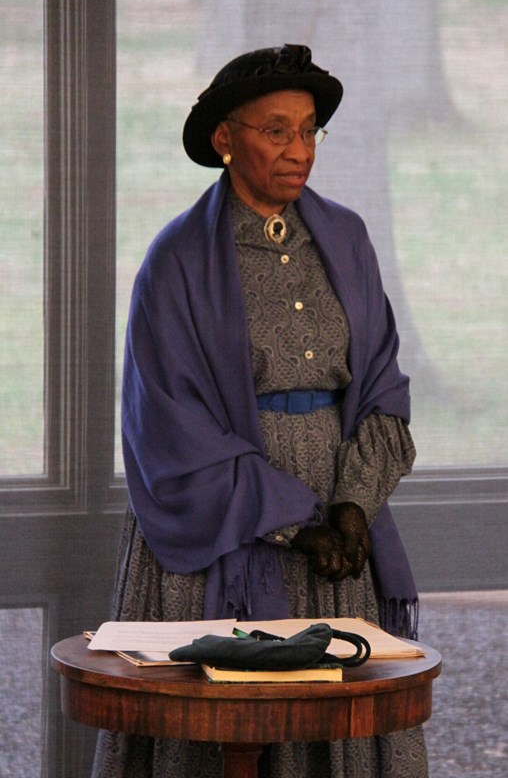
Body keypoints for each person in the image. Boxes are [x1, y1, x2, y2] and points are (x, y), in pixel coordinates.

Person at [92, 43, 428, 777]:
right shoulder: (176, 260)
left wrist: (348, 510)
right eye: (275, 130)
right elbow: (169, 430)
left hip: (341, 528)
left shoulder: (347, 238)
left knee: (333, 725)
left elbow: (381, 387)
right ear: (224, 138)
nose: (297, 149)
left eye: (308, 130)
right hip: (226, 522)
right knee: (224, 735)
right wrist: (292, 522)